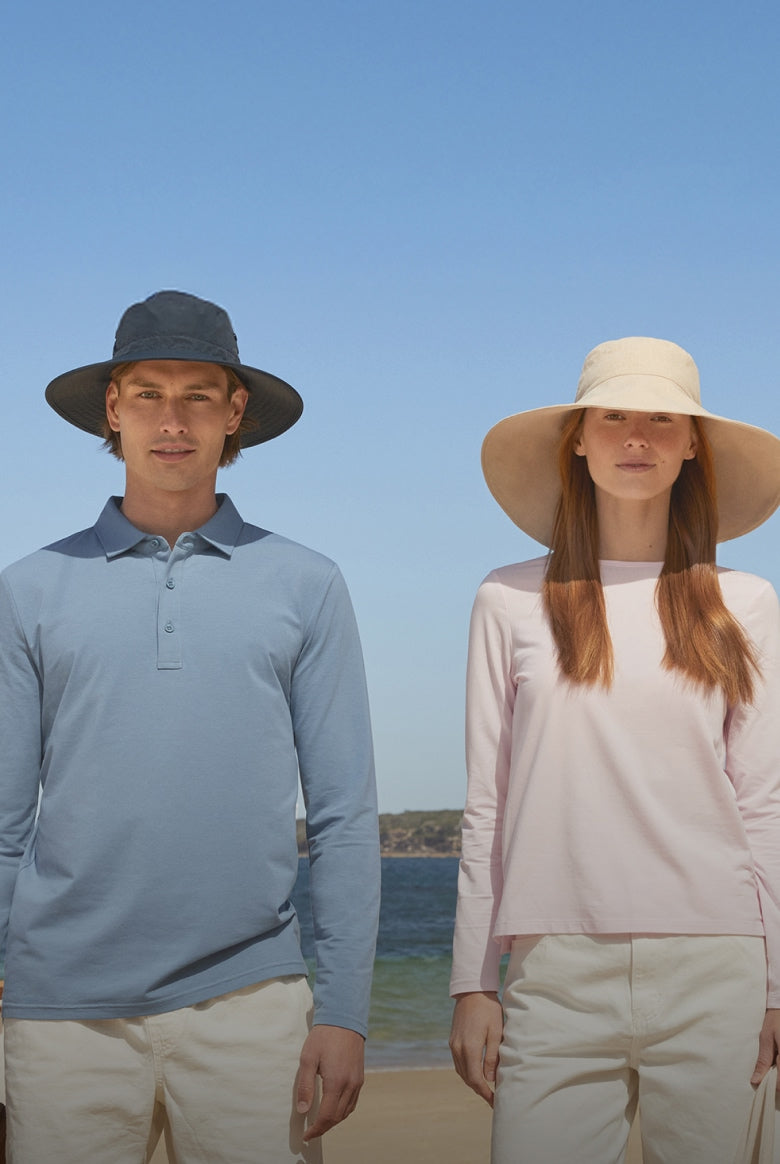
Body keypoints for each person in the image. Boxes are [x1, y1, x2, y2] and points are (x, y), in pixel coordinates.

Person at [0, 290, 381, 1164]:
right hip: (62, 1018)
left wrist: (346, 1011)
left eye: (199, 395)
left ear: (234, 413)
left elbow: (345, 816)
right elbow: (4, 824)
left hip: (253, 1003)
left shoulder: (306, 583)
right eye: (147, 394)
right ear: (113, 408)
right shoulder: (28, 589)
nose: (172, 420)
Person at [449, 336, 780, 1164]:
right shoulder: (508, 598)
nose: (638, 437)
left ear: (692, 442)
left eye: (663, 420)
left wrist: (777, 988)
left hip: (720, 972)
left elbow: (764, 803)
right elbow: (487, 800)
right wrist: (471, 980)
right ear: (579, 437)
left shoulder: (746, 604)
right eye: (615, 416)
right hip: (554, 973)